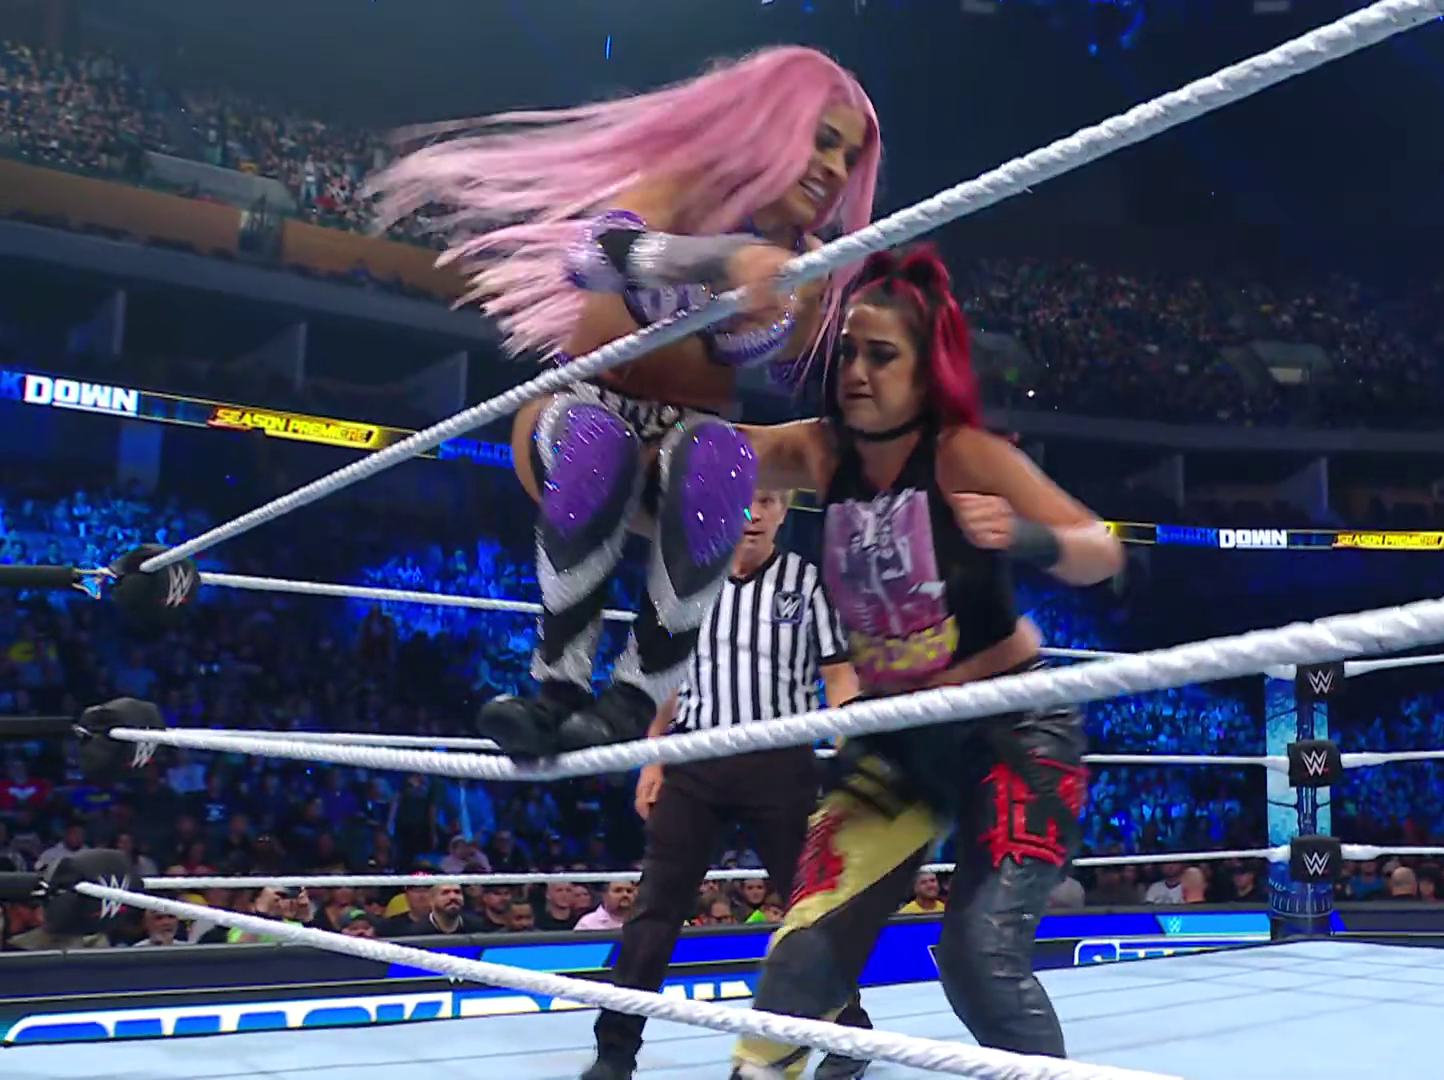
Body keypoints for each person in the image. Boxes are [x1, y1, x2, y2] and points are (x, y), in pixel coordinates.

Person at [368, 46, 882, 758]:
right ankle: (554, 688)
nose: (834, 169)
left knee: (725, 459)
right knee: (596, 441)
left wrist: (769, 307)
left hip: (682, 454)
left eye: (849, 158)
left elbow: (765, 354)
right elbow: (595, 254)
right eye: (822, 141)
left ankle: (637, 695)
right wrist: (722, 261)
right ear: (772, 124)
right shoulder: (687, 187)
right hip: (579, 417)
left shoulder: (811, 267)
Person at [726, 247, 1125, 1080]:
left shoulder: (963, 455)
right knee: (802, 951)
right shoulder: (821, 453)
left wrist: (1027, 537)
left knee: (980, 957)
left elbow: (1102, 549)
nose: (857, 373)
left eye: (881, 355)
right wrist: (656, 369)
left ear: (924, 369)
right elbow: (718, 455)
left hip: (1010, 726)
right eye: (848, 352)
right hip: (896, 735)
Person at [581, 489, 872, 1080]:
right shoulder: (688, 580)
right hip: (695, 761)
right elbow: (666, 680)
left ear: (785, 508)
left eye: (768, 501)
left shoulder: (807, 581)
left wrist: (856, 750)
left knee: (808, 907)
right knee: (654, 907)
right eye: (743, 501)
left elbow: (839, 674)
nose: (754, 514)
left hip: (781, 763)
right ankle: (614, 1053)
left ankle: (848, 1033)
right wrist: (653, 760)